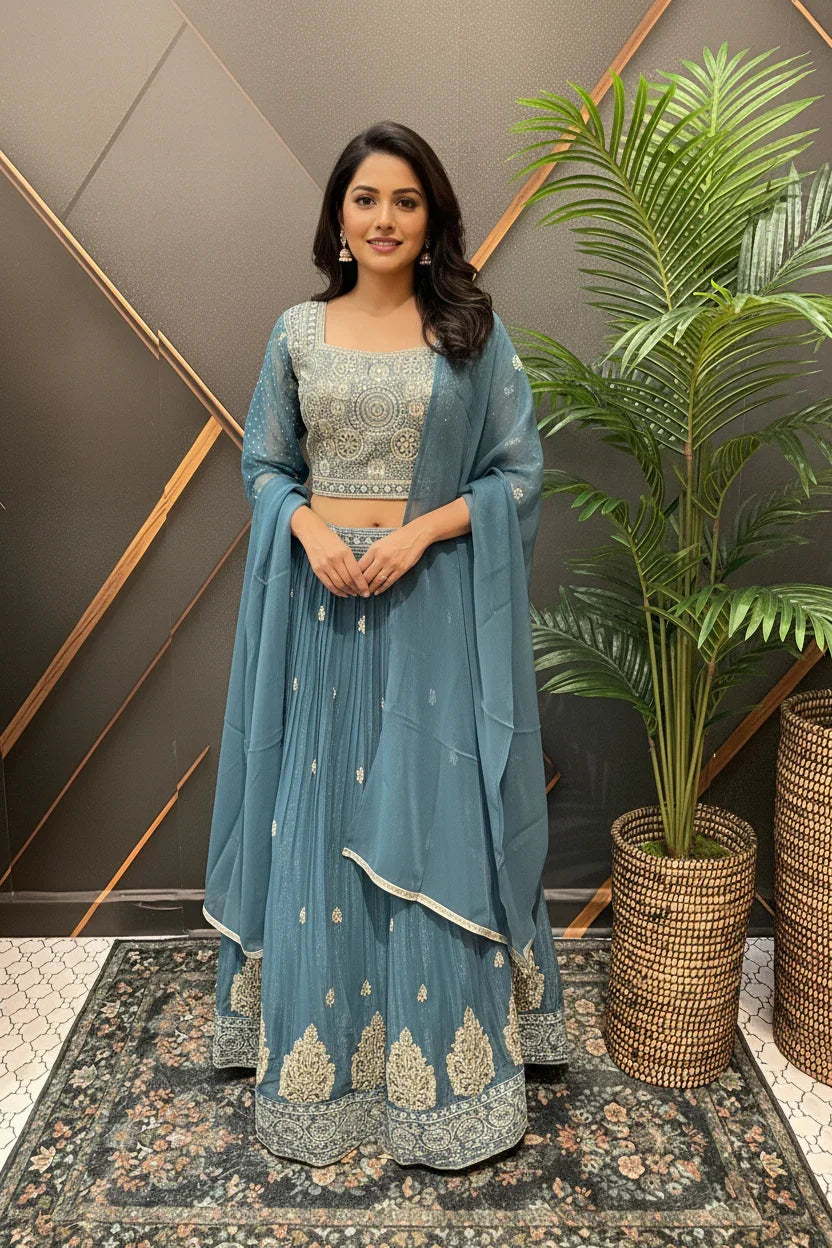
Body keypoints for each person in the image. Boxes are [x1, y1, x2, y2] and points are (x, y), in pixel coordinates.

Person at [202, 121, 568, 1171]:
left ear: (431, 215)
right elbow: (265, 463)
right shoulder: (295, 333)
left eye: (406, 200)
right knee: (321, 816)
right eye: (367, 199)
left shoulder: (468, 334)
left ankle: (443, 1089)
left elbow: (515, 474)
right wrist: (311, 529)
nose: (385, 218)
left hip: (429, 608)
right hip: (321, 609)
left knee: (431, 807)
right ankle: (326, 1075)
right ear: (338, 217)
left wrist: (415, 532)